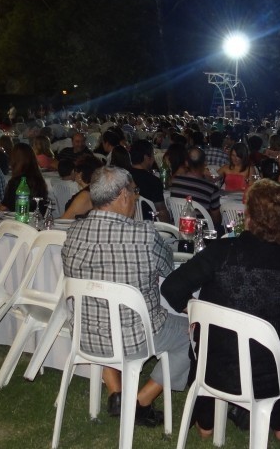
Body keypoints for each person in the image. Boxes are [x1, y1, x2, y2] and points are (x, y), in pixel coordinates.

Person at [161, 179, 280, 442]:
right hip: (272, 369)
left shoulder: (223, 251)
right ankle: (279, 423)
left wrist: (194, 310)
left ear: (249, 217)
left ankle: (208, 419)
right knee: (266, 344)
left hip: (218, 365)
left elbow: (171, 287)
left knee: (217, 341)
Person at [62, 166, 190, 426]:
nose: (135, 197)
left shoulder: (73, 232)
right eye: (134, 192)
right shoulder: (144, 235)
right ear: (122, 195)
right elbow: (169, 270)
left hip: (84, 334)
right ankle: (141, 401)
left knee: (104, 311)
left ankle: (117, 394)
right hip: (135, 337)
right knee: (194, 333)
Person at [169, 147, 221, 228]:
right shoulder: (211, 188)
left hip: (178, 228)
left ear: (186, 163)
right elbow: (216, 219)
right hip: (200, 231)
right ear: (205, 163)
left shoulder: (175, 181)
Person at [129, 139, 170, 223]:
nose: (153, 159)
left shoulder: (124, 176)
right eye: (152, 156)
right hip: (150, 224)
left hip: (129, 221)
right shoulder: (153, 181)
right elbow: (161, 211)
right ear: (146, 158)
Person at [0, 143, 49, 213]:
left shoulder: (15, 182)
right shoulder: (39, 181)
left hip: (19, 217)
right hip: (37, 217)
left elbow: (5, 206)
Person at [61, 153, 103, 218]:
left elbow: (65, 219)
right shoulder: (97, 191)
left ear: (80, 175)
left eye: (75, 170)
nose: (74, 173)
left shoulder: (85, 195)